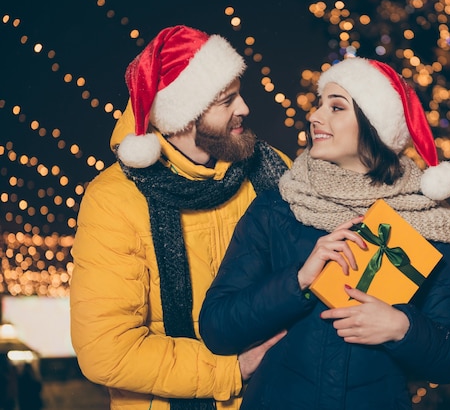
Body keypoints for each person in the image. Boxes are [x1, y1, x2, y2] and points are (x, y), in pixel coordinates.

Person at [199, 57, 450, 410]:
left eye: (336, 107)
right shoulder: (278, 208)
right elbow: (217, 328)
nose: (315, 116)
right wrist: (297, 282)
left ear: (374, 124)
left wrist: (401, 327)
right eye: (319, 104)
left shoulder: (426, 221)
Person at [69, 25, 291, 410]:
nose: (245, 109)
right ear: (183, 117)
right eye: (227, 101)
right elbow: (106, 350)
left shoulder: (273, 171)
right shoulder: (115, 200)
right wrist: (232, 370)